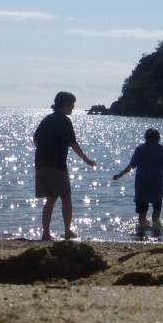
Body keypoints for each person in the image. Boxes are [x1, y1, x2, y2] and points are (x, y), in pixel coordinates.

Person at [31, 91, 96, 241]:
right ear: (65, 105)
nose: (73, 108)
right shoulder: (65, 121)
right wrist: (87, 160)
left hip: (41, 163)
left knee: (51, 199)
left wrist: (44, 151)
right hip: (57, 165)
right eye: (72, 105)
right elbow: (73, 143)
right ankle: (67, 231)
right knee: (66, 198)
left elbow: (36, 139)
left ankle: (46, 233)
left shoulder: (47, 119)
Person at [112, 128, 163, 237]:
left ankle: (141, 233)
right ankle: (155, 231)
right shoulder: (161, 149)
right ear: (158, 138)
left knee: (142, 211)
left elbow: (131, 166)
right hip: (156, 182)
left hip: (141, 183)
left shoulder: (140, 149)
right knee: (156, 207)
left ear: (146, 138)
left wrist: (119, 175)